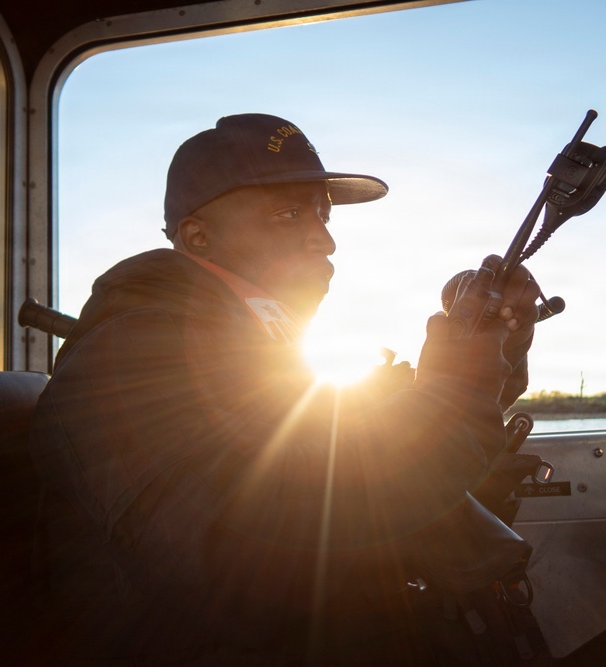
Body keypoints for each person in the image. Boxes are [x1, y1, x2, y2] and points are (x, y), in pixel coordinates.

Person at [29, 113, 541, 665]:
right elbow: (247, 569)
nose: (325, 239)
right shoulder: (130, 359)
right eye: (288, 213)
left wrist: (488, 356)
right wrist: (453, 394)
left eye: (323, 215)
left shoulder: (250, 350)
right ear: (198, 236)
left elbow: (356, 458)